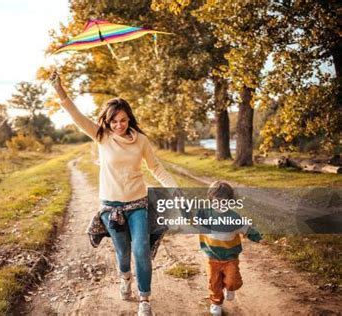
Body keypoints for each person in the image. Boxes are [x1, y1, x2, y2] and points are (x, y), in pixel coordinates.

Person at [49, 70, 178, 316]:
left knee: (141, 248)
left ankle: (145, 298)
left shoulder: (140, 140)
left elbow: (156, 167)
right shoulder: (101, 136)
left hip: (138, 203)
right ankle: (125, 277)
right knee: (122, 251)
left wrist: (175, 188)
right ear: (107, 122)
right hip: (110, 207)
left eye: (124, 120)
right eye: (114, 121)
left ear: (129, 118)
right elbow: (75, 115)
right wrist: (59, 89)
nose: (119, 125)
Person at [194, 181, 268, 316]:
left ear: (229, 201)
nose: (219, 203)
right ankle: (216, 303)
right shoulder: (204, 214)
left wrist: (258, 238)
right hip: (212, 257)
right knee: (214, 282)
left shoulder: (234, 217)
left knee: (232, 280)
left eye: (224, 201)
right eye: (216, 200)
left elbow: (246, 229)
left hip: (230, 257)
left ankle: (230, 288)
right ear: (210, 198)